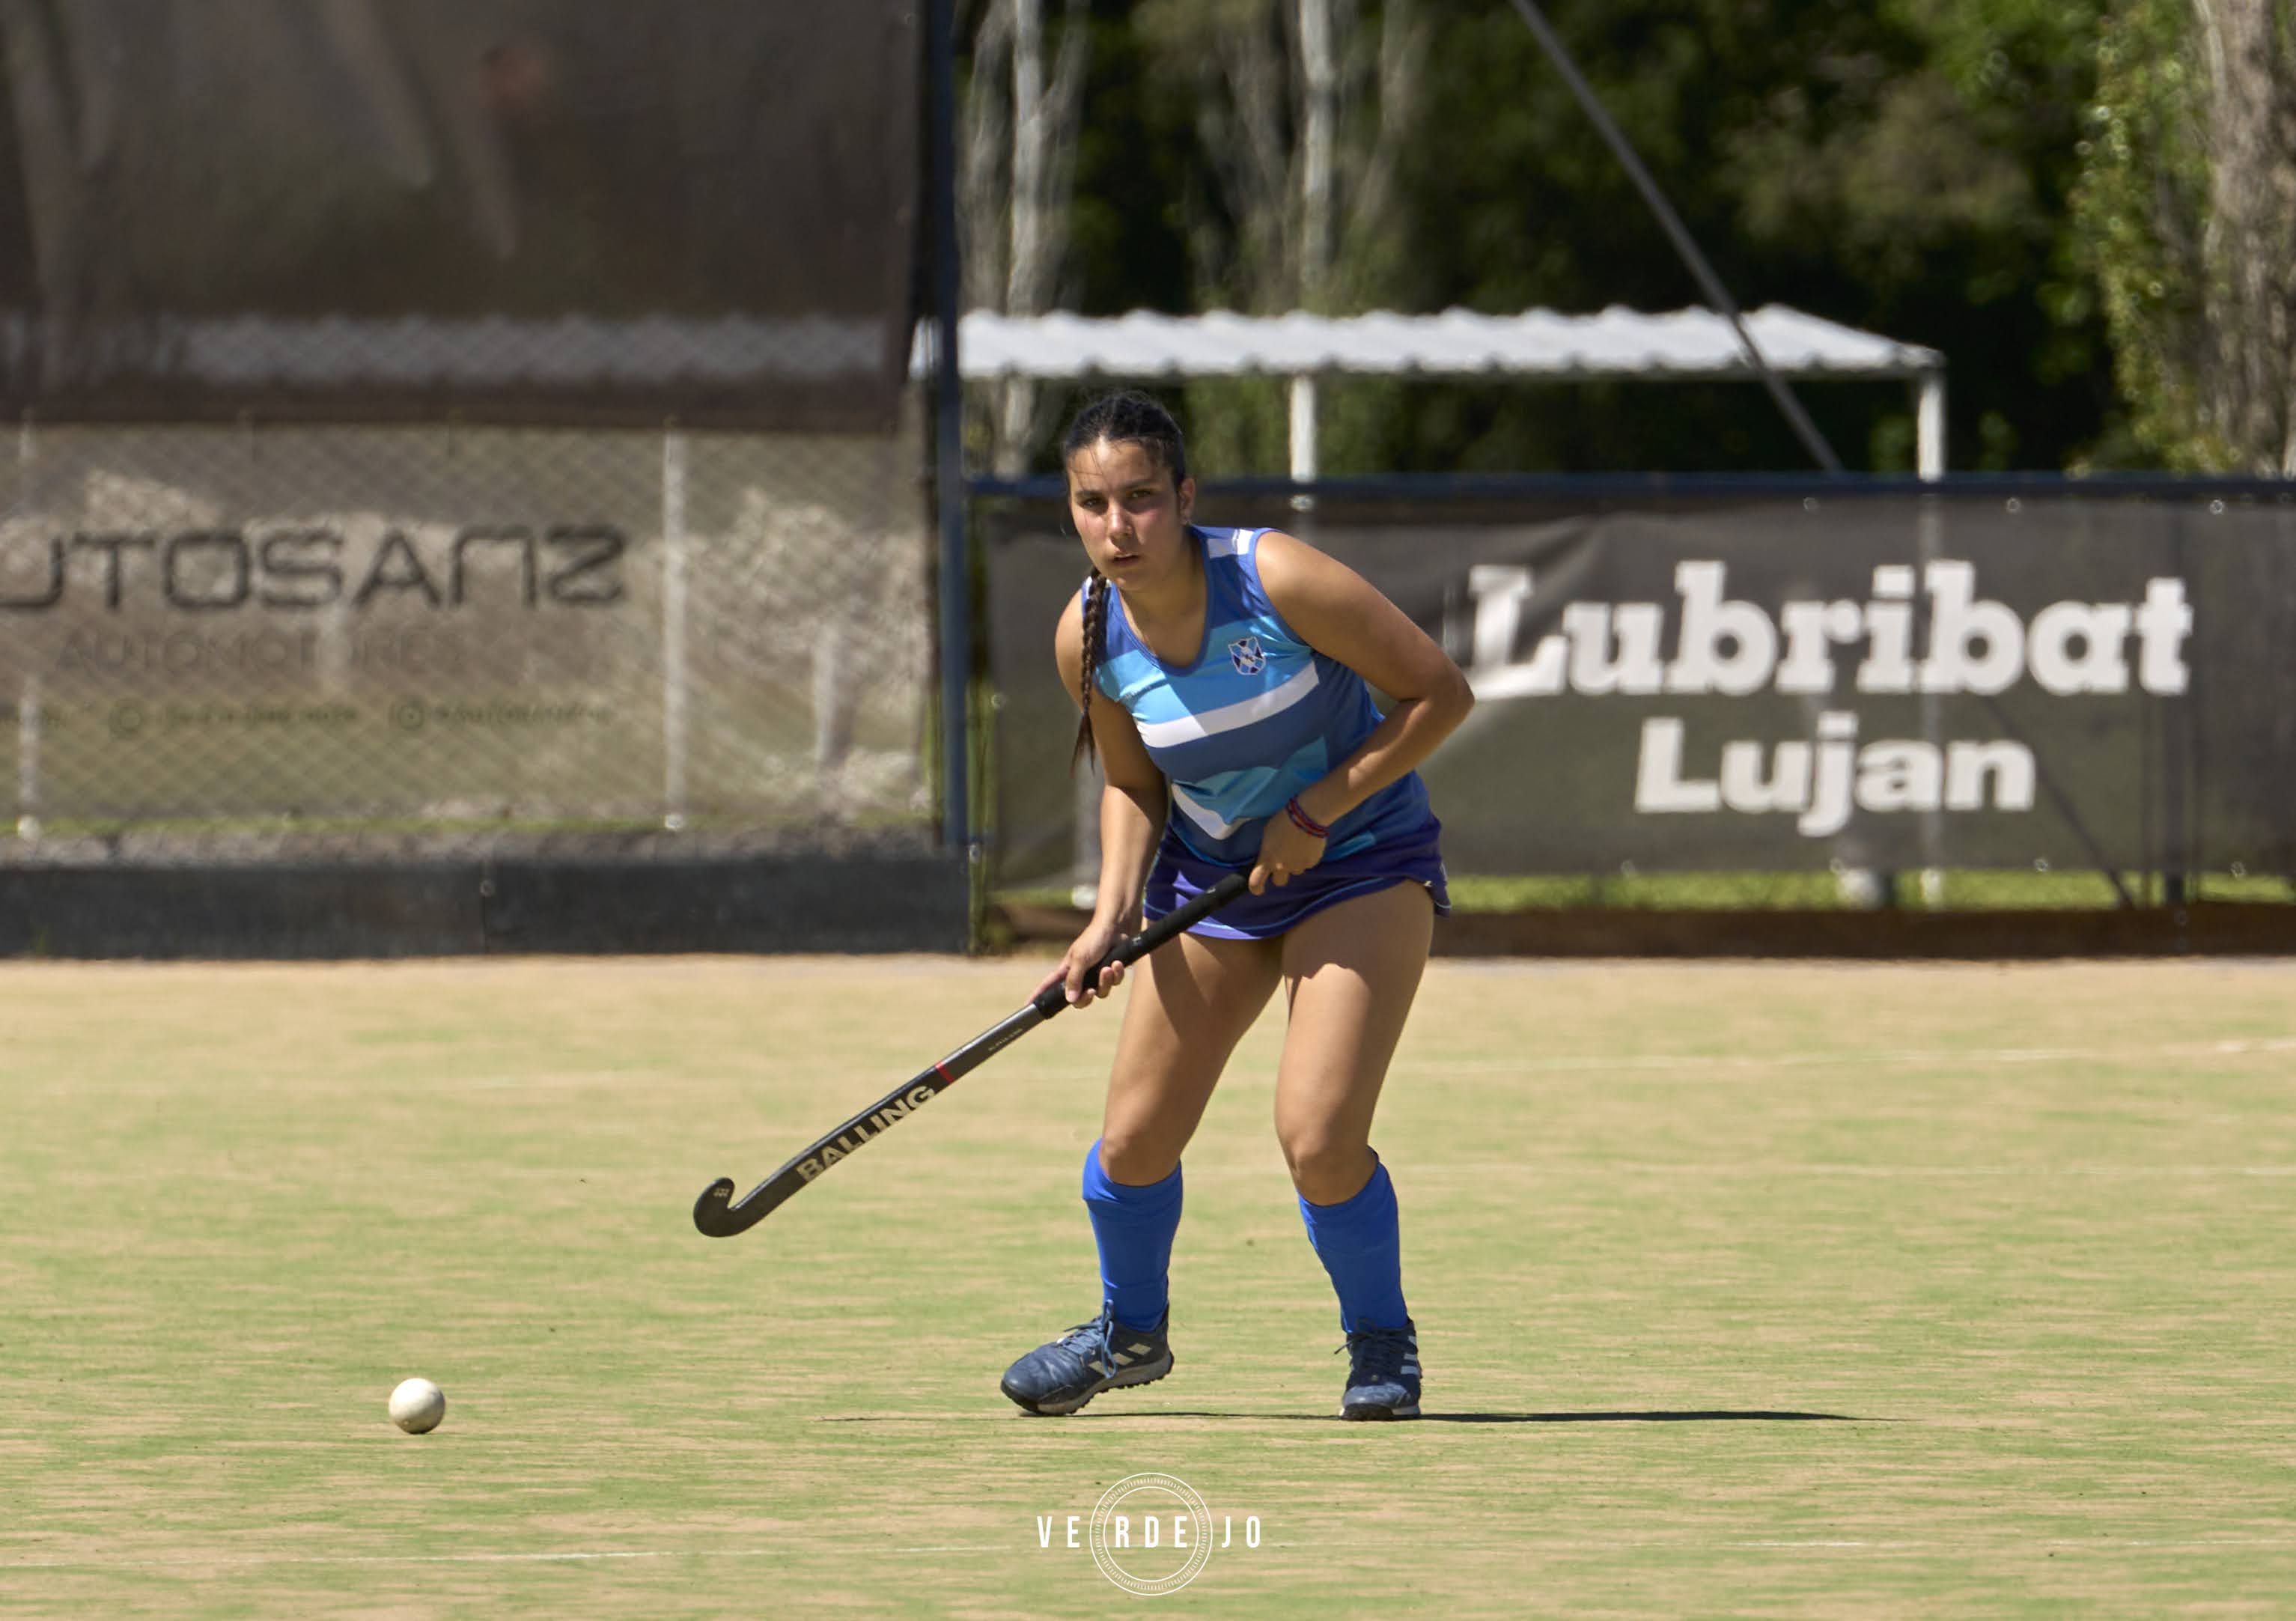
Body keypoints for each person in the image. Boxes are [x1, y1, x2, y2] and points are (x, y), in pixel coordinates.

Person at [999, 391, 1474, 1421]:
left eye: (1140, 499)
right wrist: (1108, 915)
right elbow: (1132, 786)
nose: (1117, 528)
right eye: (1091, 503)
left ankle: (1381, 1340)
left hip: (1361, 859)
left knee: (1315, 1134)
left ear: (1184, 495)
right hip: (1212, 878)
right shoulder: (1087, 635)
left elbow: (1438, 693)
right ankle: (1130, 1334)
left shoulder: (1274, 578)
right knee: (1130, 1143)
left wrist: (1317, 808)